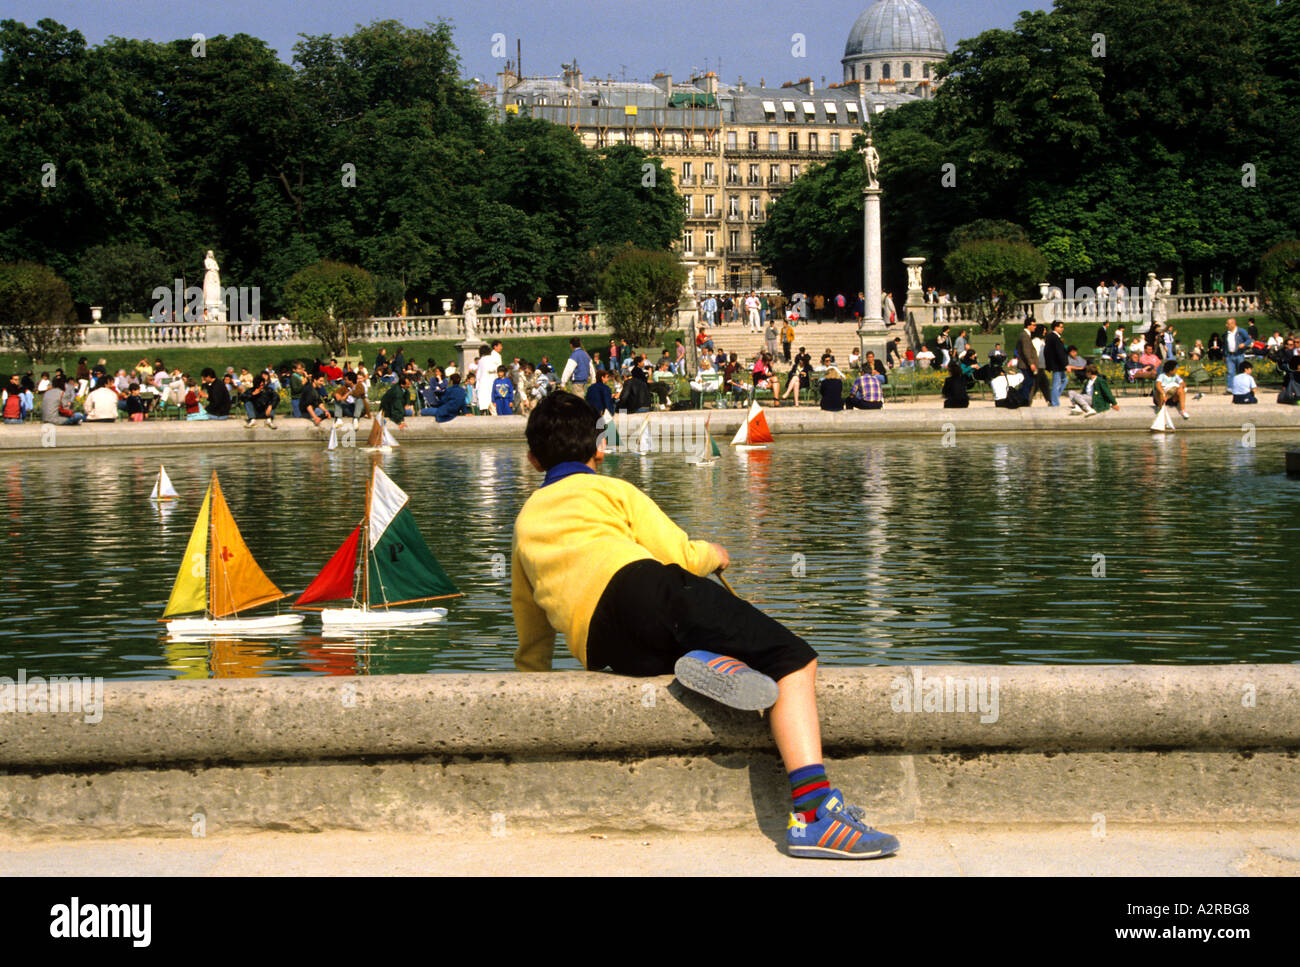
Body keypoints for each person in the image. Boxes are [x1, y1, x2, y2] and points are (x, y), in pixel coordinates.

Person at [511, 392, 899, 859]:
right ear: (599, 448)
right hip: (646, 591)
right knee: (793, 661)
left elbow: (530, 623)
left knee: (684, 643)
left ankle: (703, 660)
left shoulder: (524, 521)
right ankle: (813, 814)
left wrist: (531, 683)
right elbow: (679, 555)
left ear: (534, 461)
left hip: (602, 647)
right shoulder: (613, 491)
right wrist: (716, 553)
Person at [1044, 320, 1069, 406]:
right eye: (1061, 327)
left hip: (1056, 364)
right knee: (1057, 383)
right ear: (1056, 327)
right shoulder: (1054, 337)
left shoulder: (1052, 337)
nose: (1062, 329)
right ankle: (1055, 402)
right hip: (1057, 365)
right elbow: (1060, 352)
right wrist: (1066, 364)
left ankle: (1054, 398)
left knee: (1064, 380)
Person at [1224, 318, 1250, 396]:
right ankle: (1230, 389)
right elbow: (1225, 344)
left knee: (1241, 372)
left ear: (1233, 324)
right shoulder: (1227, 333)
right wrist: (1224, 355)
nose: (1226, 325)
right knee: (1230, 372)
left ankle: (1242, 388)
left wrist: (1244, 344)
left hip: (1239, 354)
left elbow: (1248, 340)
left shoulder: (1241, 331)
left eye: (1228, 324)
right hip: (1229, 355)